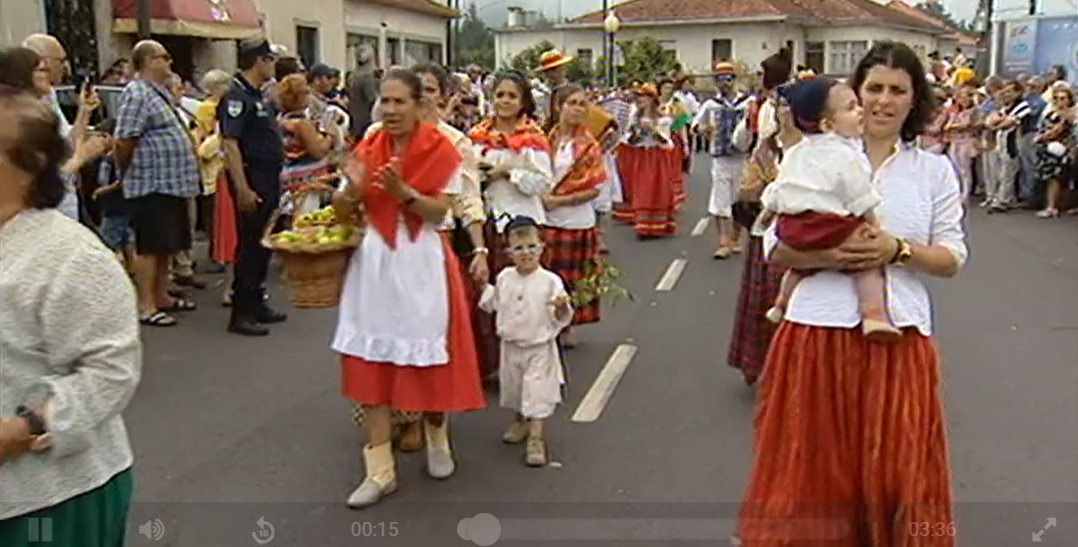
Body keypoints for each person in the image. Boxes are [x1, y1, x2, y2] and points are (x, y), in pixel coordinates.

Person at [736, 41, 966, 547]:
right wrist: (834, 258)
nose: (883, 101)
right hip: (816, 332)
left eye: (897, 90)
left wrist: (896, 249)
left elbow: (952, 257)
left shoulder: (932, 171)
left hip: (898, 338)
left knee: (895, 474)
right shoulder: (812, 158)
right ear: (851, 100)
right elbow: (774, 247)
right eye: (873, 89)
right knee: (813, 474)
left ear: (914, 100)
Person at [331, 68, 485, 509]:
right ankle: (379, 470)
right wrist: (352, 193)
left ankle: (438, 436)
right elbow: (343, 206)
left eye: (401, 101)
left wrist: (402, 192)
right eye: (386, 101)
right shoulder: (370, 144)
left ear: (420, 105)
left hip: (421, 258)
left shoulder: (444, 148)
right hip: (377, 259)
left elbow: (440, 213)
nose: (392, 110)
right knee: (372, 359)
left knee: (427, 354)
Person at [0, 86, 141, 547]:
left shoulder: (72, 255)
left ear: (31, 164)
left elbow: (111, 371)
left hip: (53, 498)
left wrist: (27, 428)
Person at [755, 77, 901, 342]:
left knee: (798, 268)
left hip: (794, 227)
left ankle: (780, 303)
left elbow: (781, 187)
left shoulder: (796, 151)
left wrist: (769, 211)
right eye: (850, 107)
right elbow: (860, 195)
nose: (860, 111)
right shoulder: (845, 155)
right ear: (828, 125)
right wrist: (873, 225)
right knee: (867, 265)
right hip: (829, 226)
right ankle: (874, 315)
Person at [113, 40, 201, 327]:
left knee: (165, 244)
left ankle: (161, 295)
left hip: (171, 184)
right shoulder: (137, 93)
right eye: (164, 58)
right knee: (149, 246)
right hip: (151, 183)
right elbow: (124, 139)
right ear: (149, 60)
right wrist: (125, 173)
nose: (169, 63)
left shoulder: (158, 93)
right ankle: (146, 305)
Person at [478, 215, 572, 467]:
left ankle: (536, 438)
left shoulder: (550, 281)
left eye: (531, 247)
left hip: (539, 348)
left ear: (541, 247)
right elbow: (492, 303)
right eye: (519, 249)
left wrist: (561, 308)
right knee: (515, 388)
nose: (526, 253)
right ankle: (521, 421)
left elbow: (561, 316)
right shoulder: (505, 278)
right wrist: (481, 286)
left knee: (536, 391)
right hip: (510, 347)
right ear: (509, 252)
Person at [219, 38, 288, 336]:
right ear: (259, 61)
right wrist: (243, 187)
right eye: (270, 59)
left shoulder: (257, 95)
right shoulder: (236, 97)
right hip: (252, 177)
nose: (272, 65)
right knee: (249, 245)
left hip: (268, 176)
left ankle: (256, 301)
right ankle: (241, 312)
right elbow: (230, 144)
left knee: (263, 243)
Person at [542, 84, 606, 346]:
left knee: (574, 278)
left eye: (583, 104)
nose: (578, 109)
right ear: (558, 107)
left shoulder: (589, 145)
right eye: (572, 103)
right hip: (546, 218)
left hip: (576, 219)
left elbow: (594, 188)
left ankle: (568, 325)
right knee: (548, 275)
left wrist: (560, 200)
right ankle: (549, 323)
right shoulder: (544, 139)